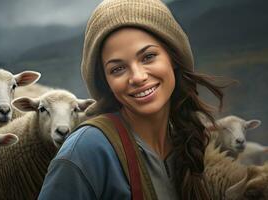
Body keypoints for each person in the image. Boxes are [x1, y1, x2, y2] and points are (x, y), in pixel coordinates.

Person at [38, 0, 224, 199]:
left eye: (148, 57)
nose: (137, 77)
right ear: (106, 81)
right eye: (117, 69)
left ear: (173, 57)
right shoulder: (86, 151)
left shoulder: (185, 141)